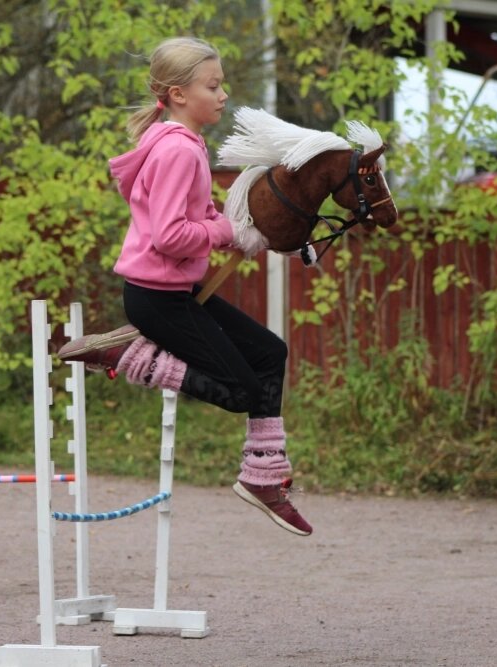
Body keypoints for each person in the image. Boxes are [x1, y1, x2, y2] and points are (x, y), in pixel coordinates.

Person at [58, 37, 311, 536]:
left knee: (269, 353)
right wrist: (226, 232)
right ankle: (129, 355)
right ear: (177, 94)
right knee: (240, 391)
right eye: (212, 86)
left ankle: (264, 476)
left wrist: (243, 229)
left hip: (174, 293)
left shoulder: (185, 144)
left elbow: (197, 214)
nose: (223, 95)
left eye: (222, 85)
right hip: (157, 300)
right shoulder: (177, 150)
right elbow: (171, 237)